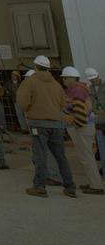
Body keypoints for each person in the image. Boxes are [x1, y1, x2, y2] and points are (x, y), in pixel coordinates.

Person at [16, 56, 76, 198]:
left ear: (35, 67)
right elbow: (63, 104)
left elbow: (22, 103)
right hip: (56, 124)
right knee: (60, 156)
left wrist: (33, 109)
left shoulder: (30, 82)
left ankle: (39, 186)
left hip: (38, 124)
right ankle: (70, 187)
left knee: (40, 155)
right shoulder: (56, 84)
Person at [61, 67, 103, 195]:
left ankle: (96, 186)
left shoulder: (76, 90)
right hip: (85, 126)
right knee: (86, 156)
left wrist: (71, 119)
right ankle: (93, 183)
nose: (63, 80)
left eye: (64, 78)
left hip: (80, 127)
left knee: (86, 157)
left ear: (71, 78)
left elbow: (78, 111)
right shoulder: (82, 88)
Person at [85, 68, 105, 173]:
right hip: (97, 120)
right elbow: (90, 104)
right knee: (101, 144)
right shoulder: (90, 89)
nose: (94, 80)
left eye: (95, 78)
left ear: (98, 76)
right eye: (92, 79)